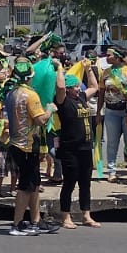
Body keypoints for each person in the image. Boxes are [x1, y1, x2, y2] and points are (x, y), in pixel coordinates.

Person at [3, 58, 50, 235]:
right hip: (27, 146)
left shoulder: (11, 93)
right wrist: (50, 110)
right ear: (30, 77)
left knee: (34, 184)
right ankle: (16, 224)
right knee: (25, 186)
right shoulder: (30, 95)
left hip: (16, 143)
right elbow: (40, 120)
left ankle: (36, 221)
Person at [51, 72, 100, 230]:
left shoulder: (81, 98)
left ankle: (86, 215)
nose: (79, 89)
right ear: (68, 88)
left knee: (85, 183)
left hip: (85, 148)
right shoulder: (63, 101)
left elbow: (94, 87)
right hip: (70, 148)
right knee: (69, 183)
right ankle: (65, 217)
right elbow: (60, 87)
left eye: (79, 86)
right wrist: (60, 69)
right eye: (75, 87)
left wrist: (89, 69)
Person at [98, 47, 127, 180]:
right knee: (112, 142)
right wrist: (99, 111)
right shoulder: (106, 72)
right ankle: (111, 171)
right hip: (111, 111)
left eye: (109, 55)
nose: (106, 57)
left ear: (117, 57)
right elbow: (101, 93)